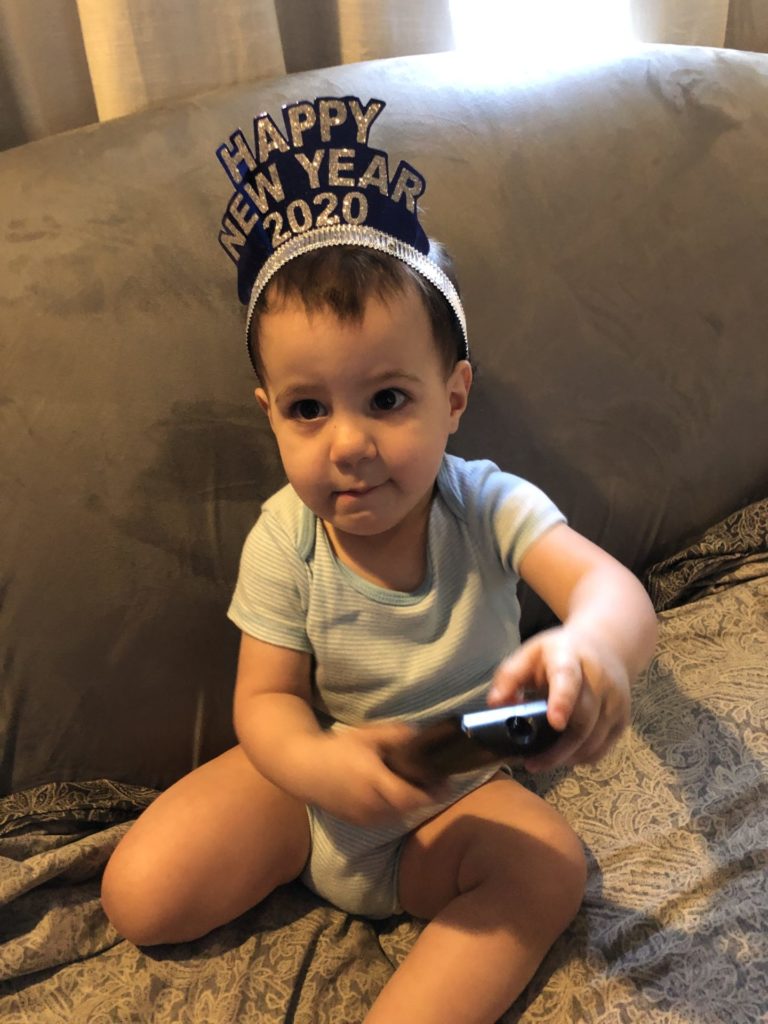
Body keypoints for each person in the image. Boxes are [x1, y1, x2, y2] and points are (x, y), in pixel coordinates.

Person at [101, 96, 658, 1024]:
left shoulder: (482, 503)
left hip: (454, 794)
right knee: (138, 896)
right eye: (308, 409)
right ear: (268, 410)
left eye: (388, 399)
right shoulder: (286, 535)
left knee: (549, 869)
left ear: (454, 397)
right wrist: (319, 768)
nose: (348, 444)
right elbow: (265, 703)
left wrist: (590, 651)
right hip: (312, 783)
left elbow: (611, 589)